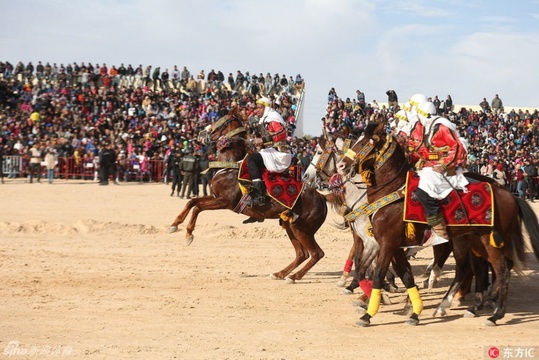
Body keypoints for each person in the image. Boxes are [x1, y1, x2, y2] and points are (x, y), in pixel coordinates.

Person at [411, 101, 469, 246]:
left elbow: (457, 148)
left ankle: (440, 231)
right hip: (430, 166)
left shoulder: (441, 127)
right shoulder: (429, 128)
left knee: (423, 192)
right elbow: (425, 150)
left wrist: (444, 165)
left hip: (445, 169)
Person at [244, 96, 292, 207]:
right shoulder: (265, 120)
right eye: (257, 108)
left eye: (260, 108)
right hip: (272, 151)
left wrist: (262, 140)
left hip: (279, 153)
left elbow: (282, 134)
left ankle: (259, 195)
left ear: (267, 108)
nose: (257, 110)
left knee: (252, 159)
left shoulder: (273, 118)